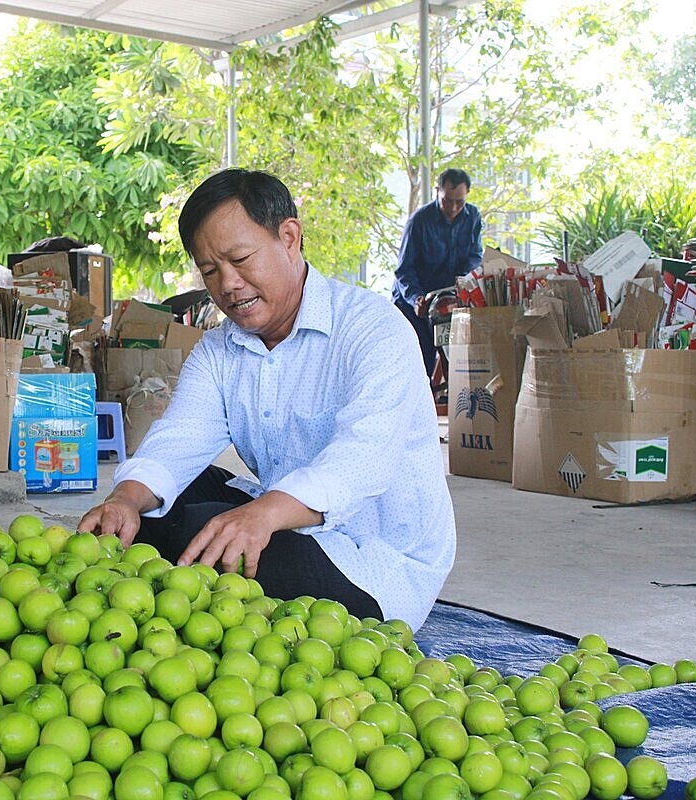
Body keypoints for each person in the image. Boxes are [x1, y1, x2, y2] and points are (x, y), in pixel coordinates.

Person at [78, 169, 455, 630]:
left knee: (201, 530)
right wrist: (123, 499)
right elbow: (178, 439)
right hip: (283, 521)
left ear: (289, 238)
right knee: (157, 506)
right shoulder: (219, 349)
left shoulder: (373, 329)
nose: (228, 284)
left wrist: (262, 515)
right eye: (210, 271)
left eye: (240, 259)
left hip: (375, 557)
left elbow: (363, 460)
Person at [393, 168, 484, 378]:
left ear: (467, 195)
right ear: (437, 191)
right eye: (447, 201)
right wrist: (417, 299)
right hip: (416, 303)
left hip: (448, 301)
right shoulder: (419, 221)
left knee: (458, 363)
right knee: (419, 364)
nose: (453, 208)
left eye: (459, 202)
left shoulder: (473, 217)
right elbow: (404, 270)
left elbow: (474, 256)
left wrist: (464, 279)